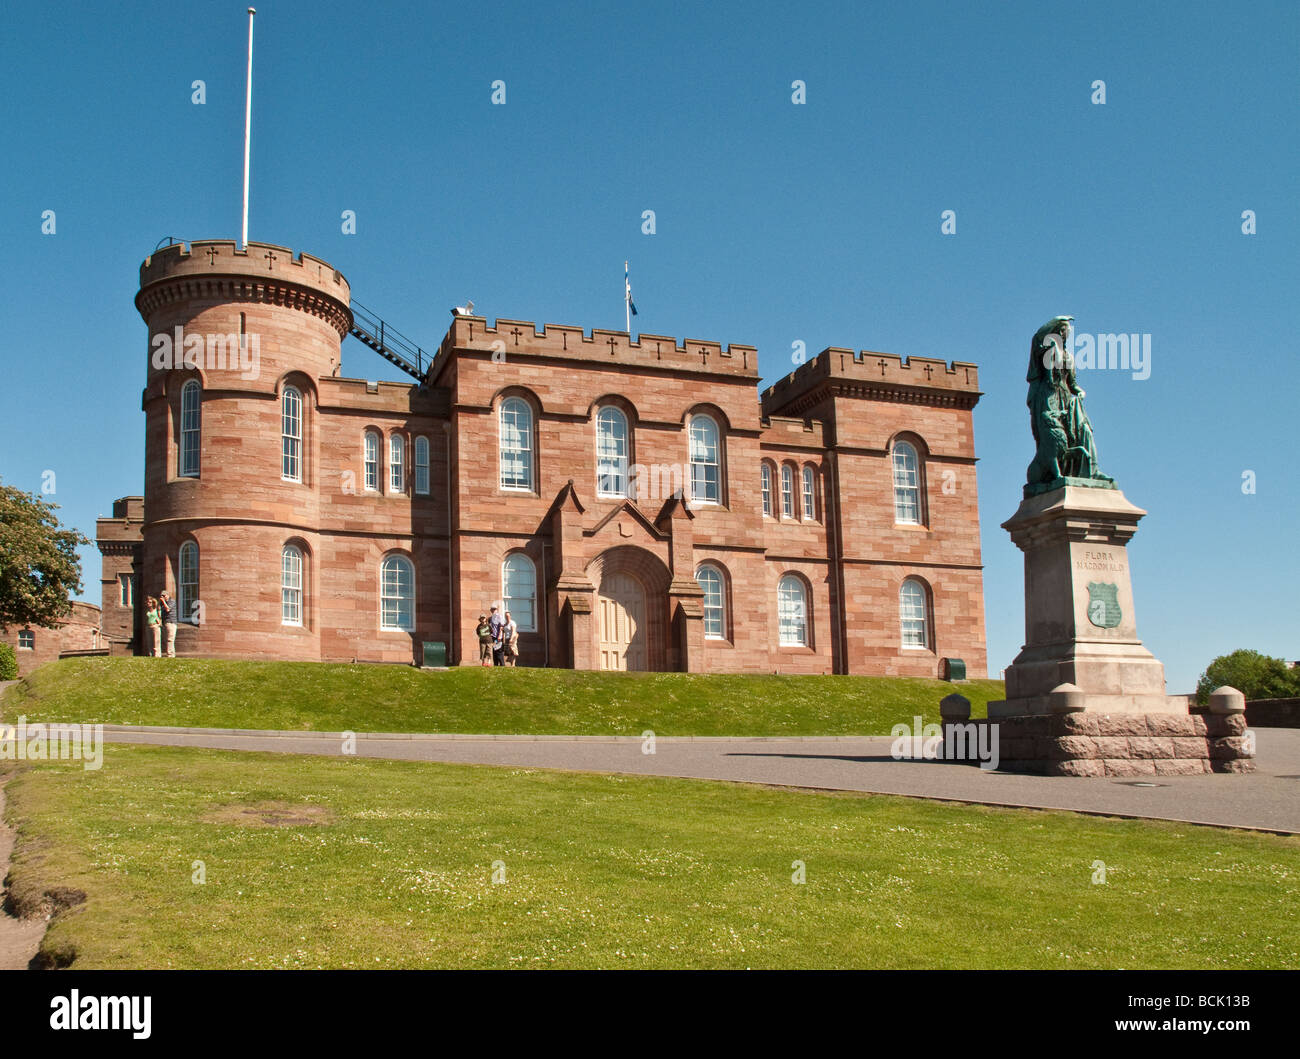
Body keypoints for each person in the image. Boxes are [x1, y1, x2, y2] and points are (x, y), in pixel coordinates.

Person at [158, 590, 178, 658]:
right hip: (166, 622)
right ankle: (172, 654)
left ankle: (170, 655)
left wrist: (163, 602)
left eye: (164, 596)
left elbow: (168, 609)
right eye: (162, 596)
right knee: (168, 639)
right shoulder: (162, 604)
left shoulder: (172, 601)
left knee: (170, 639)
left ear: (167, 595)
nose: (163, 597)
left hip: (171, 622)